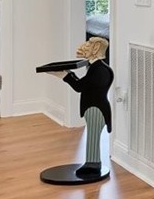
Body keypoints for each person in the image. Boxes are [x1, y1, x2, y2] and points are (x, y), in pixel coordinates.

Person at [48, 37, 113, 177]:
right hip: (93, 108)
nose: (84, 45)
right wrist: (68, 74)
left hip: (96, 110)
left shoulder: (100, 70)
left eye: (89, 44)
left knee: (93, 137)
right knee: (92, 136)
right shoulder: (97, 68)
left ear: (96, 48)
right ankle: (92, 163)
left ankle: (93, 165)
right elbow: (84, 85)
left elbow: (79, 86)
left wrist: (65, 75)